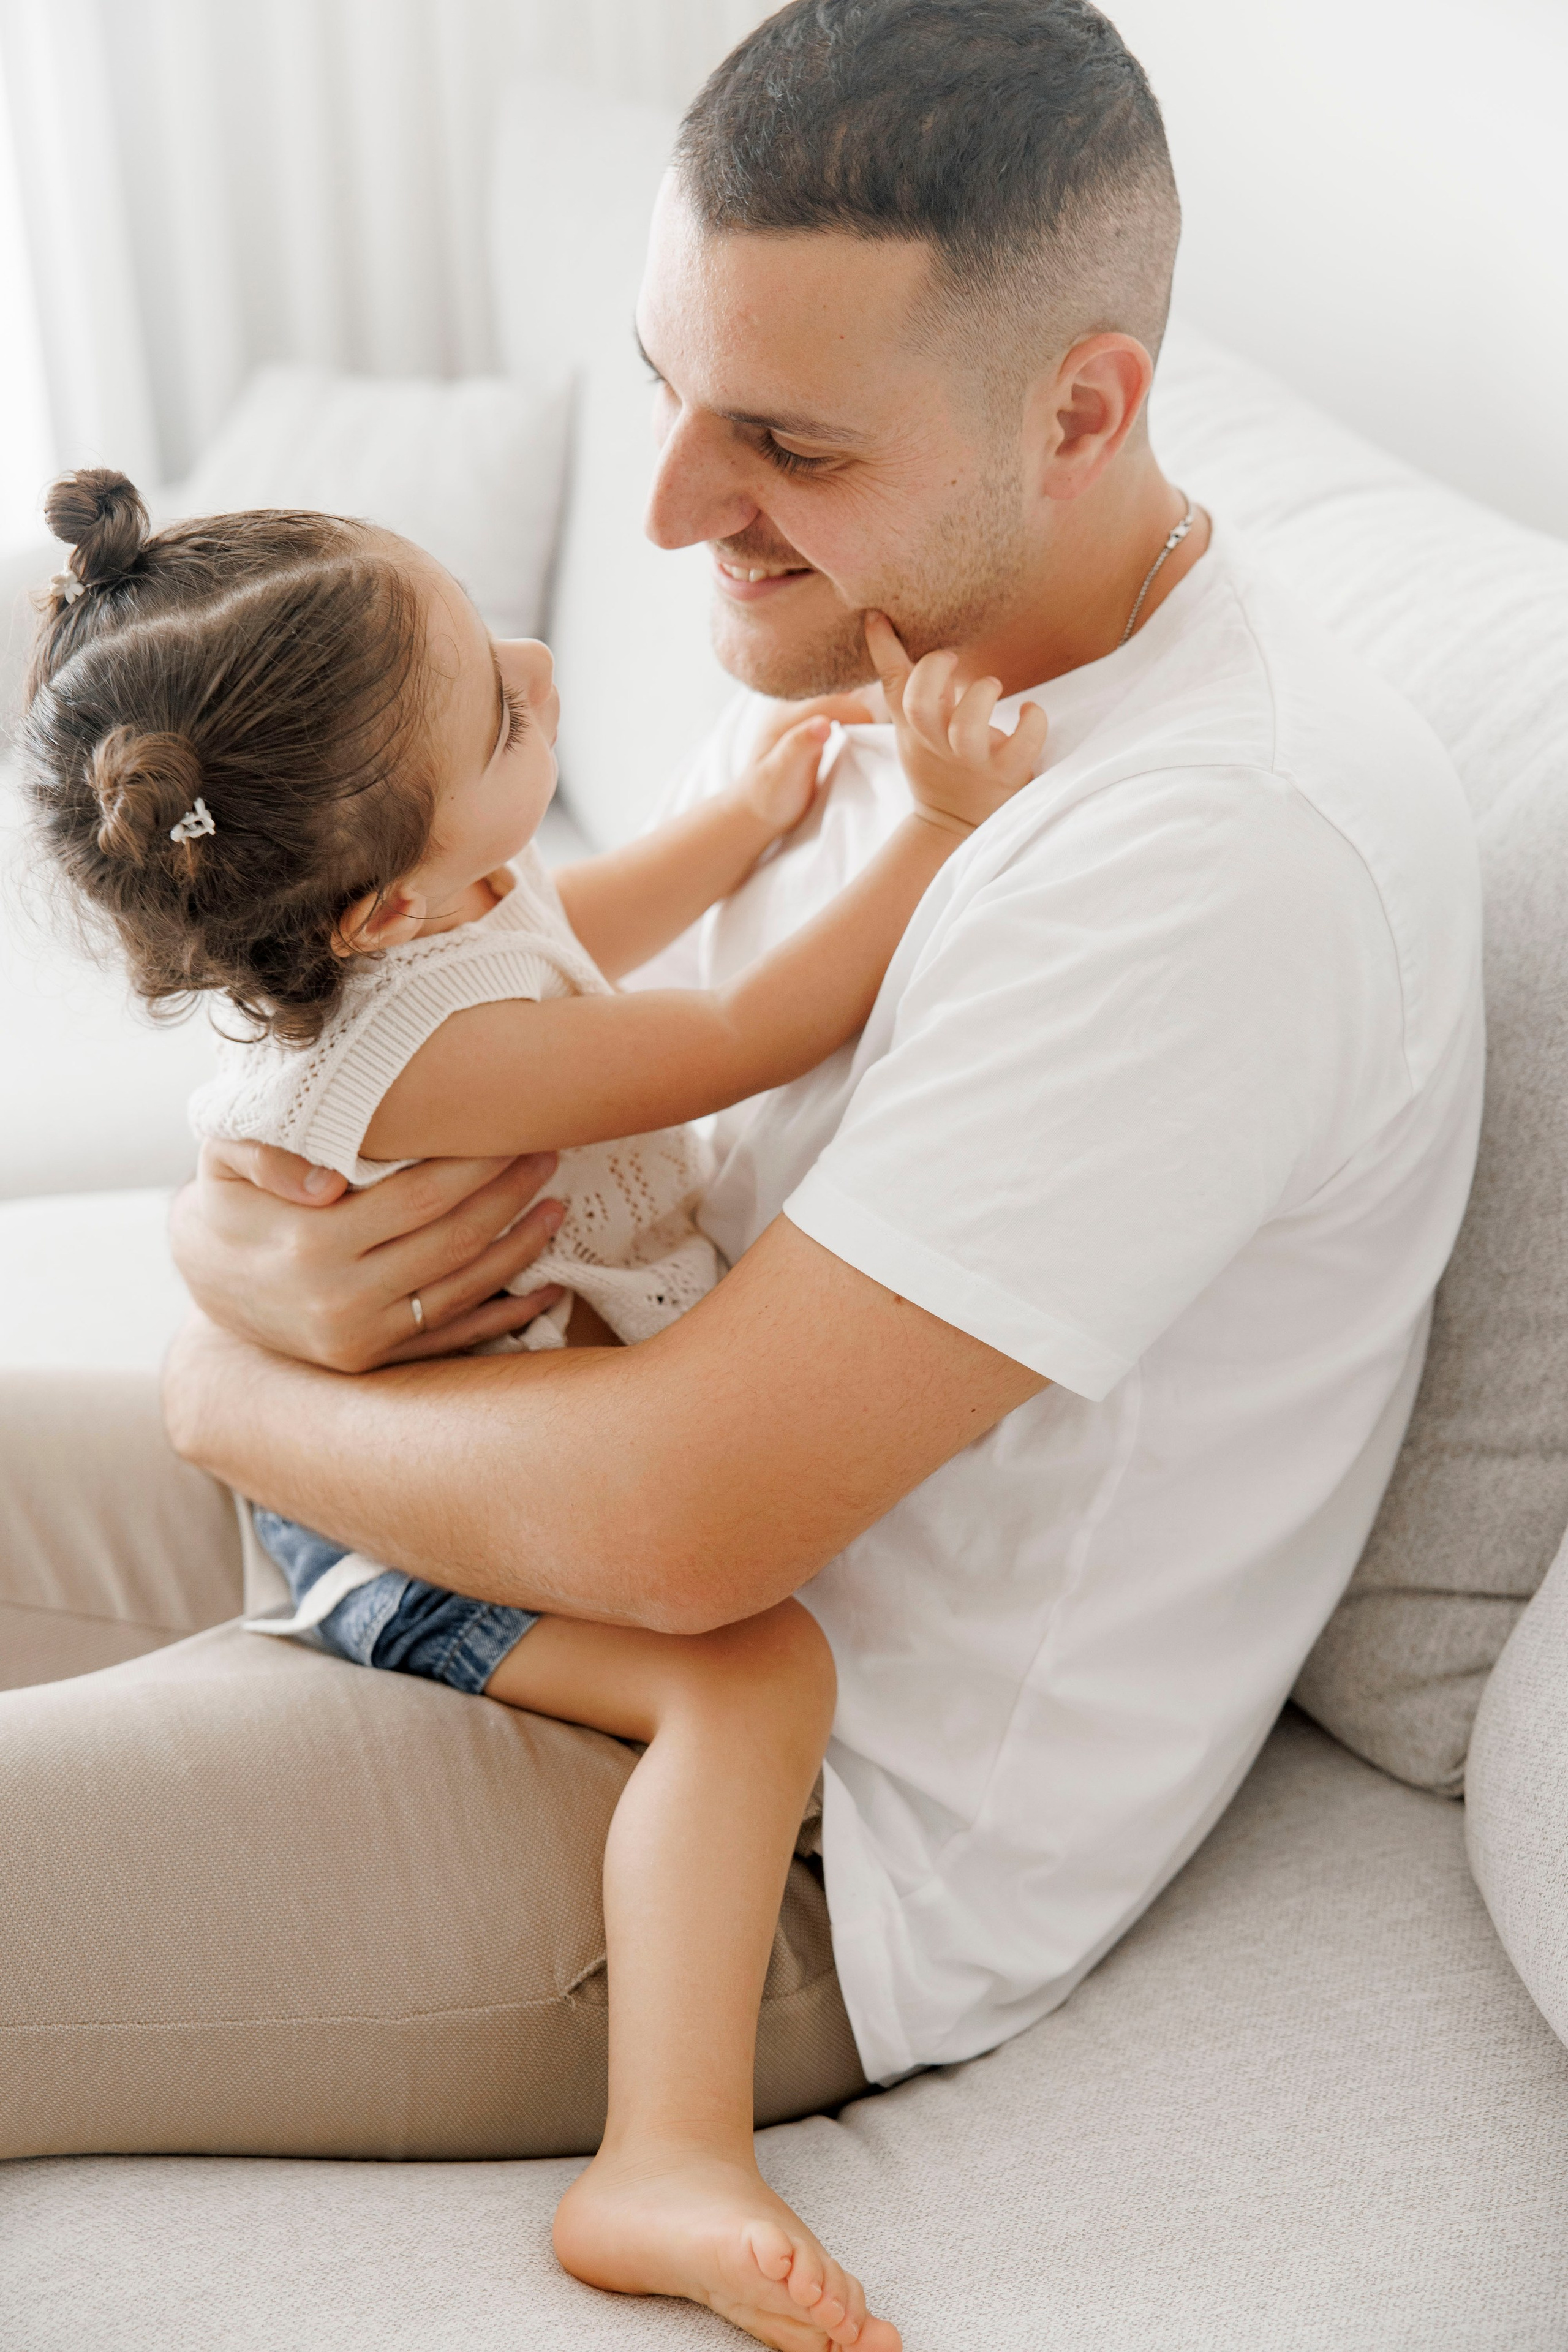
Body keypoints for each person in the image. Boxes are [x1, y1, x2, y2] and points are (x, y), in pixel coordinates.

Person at [0, 4, 1482, 2346]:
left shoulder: (1217, 854)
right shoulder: (866, 640)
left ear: (1082, 411)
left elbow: (699, 1527)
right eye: (665, 387)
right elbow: (493, 1044)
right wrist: (250, 1253)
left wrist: (226, 1382)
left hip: (771, 1816)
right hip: (506, 1502)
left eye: (783, 437)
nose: (675, 505)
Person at [21, 467, 1045, 2347]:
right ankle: (665, 2155)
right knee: (755, 1680)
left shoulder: (410, 935)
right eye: (501, 707)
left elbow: (578, 923)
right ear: (391, 890)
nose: (545, 658)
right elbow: (735, 1036)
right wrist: (935, 831)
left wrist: (738, 823)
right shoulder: (427, 1050)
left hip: (424, 1461)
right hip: (400, 1528)